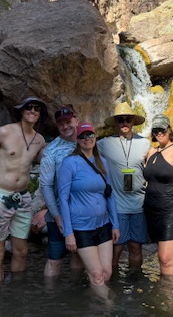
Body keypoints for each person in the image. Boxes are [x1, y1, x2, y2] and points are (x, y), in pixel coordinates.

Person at [0, 96, 47, 282]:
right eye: (29, 107)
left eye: (37, 108)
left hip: (23, 198)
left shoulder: (40, 140)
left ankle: (16, 296)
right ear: (21, 110)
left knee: (21, 251)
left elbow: (48, 166)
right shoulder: (3, 132)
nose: (32, 111)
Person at [57, 122, 120, 294]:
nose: (87, 139)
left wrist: (115, 224)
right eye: (83, 136)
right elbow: (63, 198)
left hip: (103, 225)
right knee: (98, 276)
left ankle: (92, 305)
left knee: (106, 273)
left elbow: (110, 194)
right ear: (77, 140)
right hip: (82, 227)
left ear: (95, 137)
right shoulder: (70, 163)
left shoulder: (103, 163)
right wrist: (68, 233)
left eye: (90, 134)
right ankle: (110, 308)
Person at [97, 102, 151, 268]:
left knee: (136, 248)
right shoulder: (104, 144)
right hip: (117, 206)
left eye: (128, 119)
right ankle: (112, 287)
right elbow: (85, 155)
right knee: (116, 248)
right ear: (116, 123)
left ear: (133, 121)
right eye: (121, 120)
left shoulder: (145, 143)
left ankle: (136, 284)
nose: (125, 123)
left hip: (139, 206)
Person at [143, 114, 173, 276]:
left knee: (165, 259)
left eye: (162, 129)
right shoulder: (151, 153)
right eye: (156, 130)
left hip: (170, 212)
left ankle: (169, 299)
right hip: (152, 212)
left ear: (169, 130)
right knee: (169, 258)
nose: (159, 133)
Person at [39, 104, 83, 277]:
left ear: (76, 120)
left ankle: (75, 295)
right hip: (59, 213)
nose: (65, 126)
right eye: (61, 124)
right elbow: (46, 186)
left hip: (83, 212)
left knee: (80, 255)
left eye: (68, 121)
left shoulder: (88, 142)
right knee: (54, 259)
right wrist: (57, 216)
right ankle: (50, 298)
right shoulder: (51, 150)